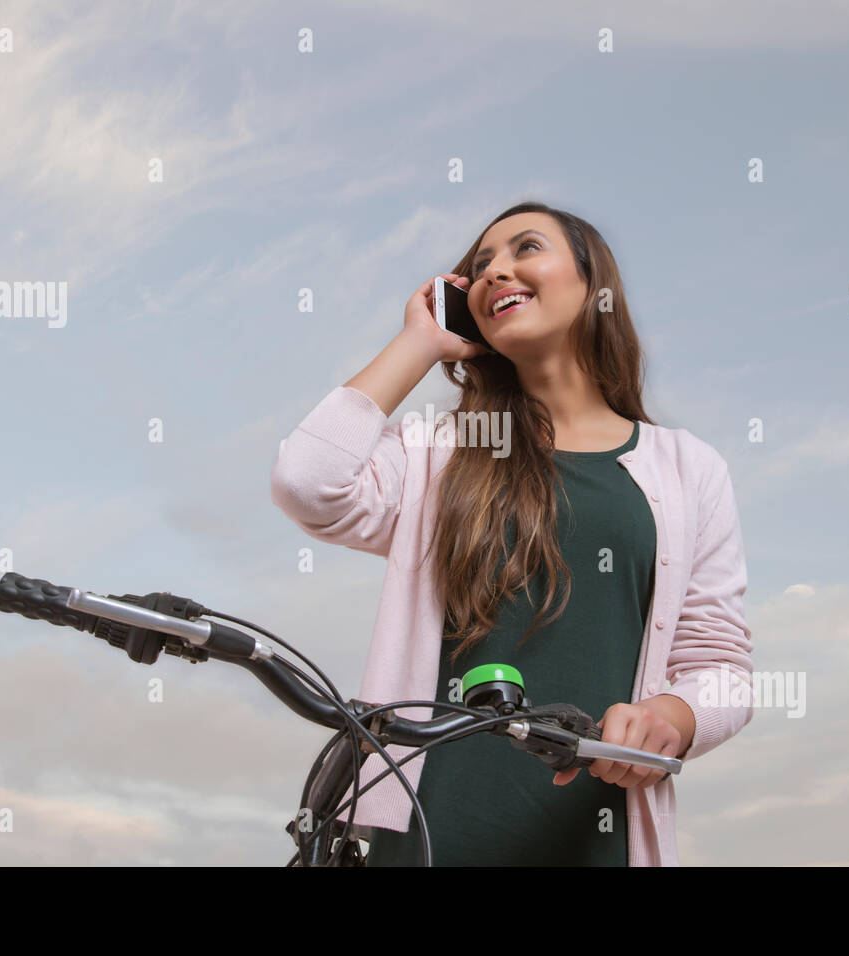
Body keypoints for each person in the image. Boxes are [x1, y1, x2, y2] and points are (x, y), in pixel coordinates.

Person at [270, 202, 753, 866]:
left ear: (593, 285)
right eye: (481, 266)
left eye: (526, 248)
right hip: (426, 836)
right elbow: (308, 481)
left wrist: (672, 717)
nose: (497, 270)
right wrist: (420, 342)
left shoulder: (688, 469)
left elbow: (722, 669)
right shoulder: (445, 449)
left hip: (594, 838)